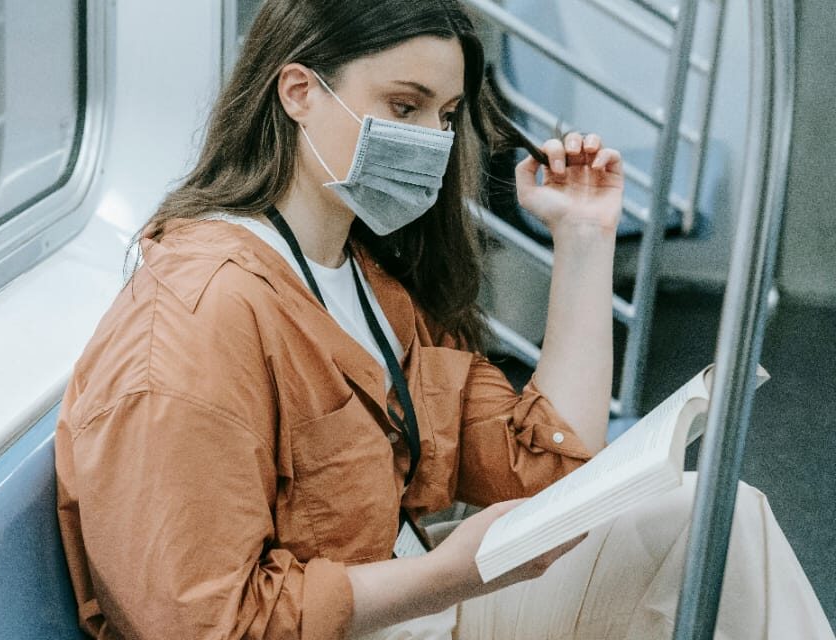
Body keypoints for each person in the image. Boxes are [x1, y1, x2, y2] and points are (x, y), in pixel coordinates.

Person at [53, 1, 834, 637]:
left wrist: (585, 238)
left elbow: (548, 463)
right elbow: (202, 625)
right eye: (403, 106)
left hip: (418, 608)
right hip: (389, 614)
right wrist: (444, 576)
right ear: (298, 93)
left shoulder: (366, 287)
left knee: (719, 519)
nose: (431, 140)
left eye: (447, 114)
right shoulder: (200, 315)